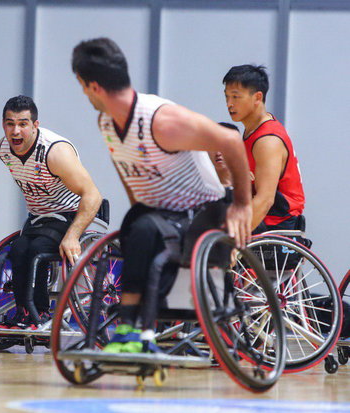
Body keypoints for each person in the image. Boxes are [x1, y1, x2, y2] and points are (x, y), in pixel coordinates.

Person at [71, 38, 252, 353]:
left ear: (94, 87)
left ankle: (132, 328)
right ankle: (129, 325)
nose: (83, 93)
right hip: (163, 211)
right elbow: (127, 169)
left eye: (82, 87)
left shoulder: (162, 120)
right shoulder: (107, 122)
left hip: (204, 210)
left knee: (144, 229)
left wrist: (241, 205)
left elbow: (230, 141)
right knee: (134, 223)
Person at [0, 95, 102, 329]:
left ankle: (40, 312)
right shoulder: (3, 150)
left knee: (36, 250)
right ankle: (23, 313)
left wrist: (73, 235)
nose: (15, 130)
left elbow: (93, 195)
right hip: (38, 218)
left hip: (70, 213)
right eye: (10, 123)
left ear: (35, 126)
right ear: (3, 125)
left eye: (23, 123)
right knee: (18, 250)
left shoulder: (55, 153)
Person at [223, 65, 305, 233]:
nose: (229, 104)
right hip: (261, 215)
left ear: (257, 97)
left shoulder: (268, 140)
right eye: (227, 97)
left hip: (276, 222)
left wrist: (232, 241)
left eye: (236, 97)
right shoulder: (252, 130)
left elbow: (265, 200)